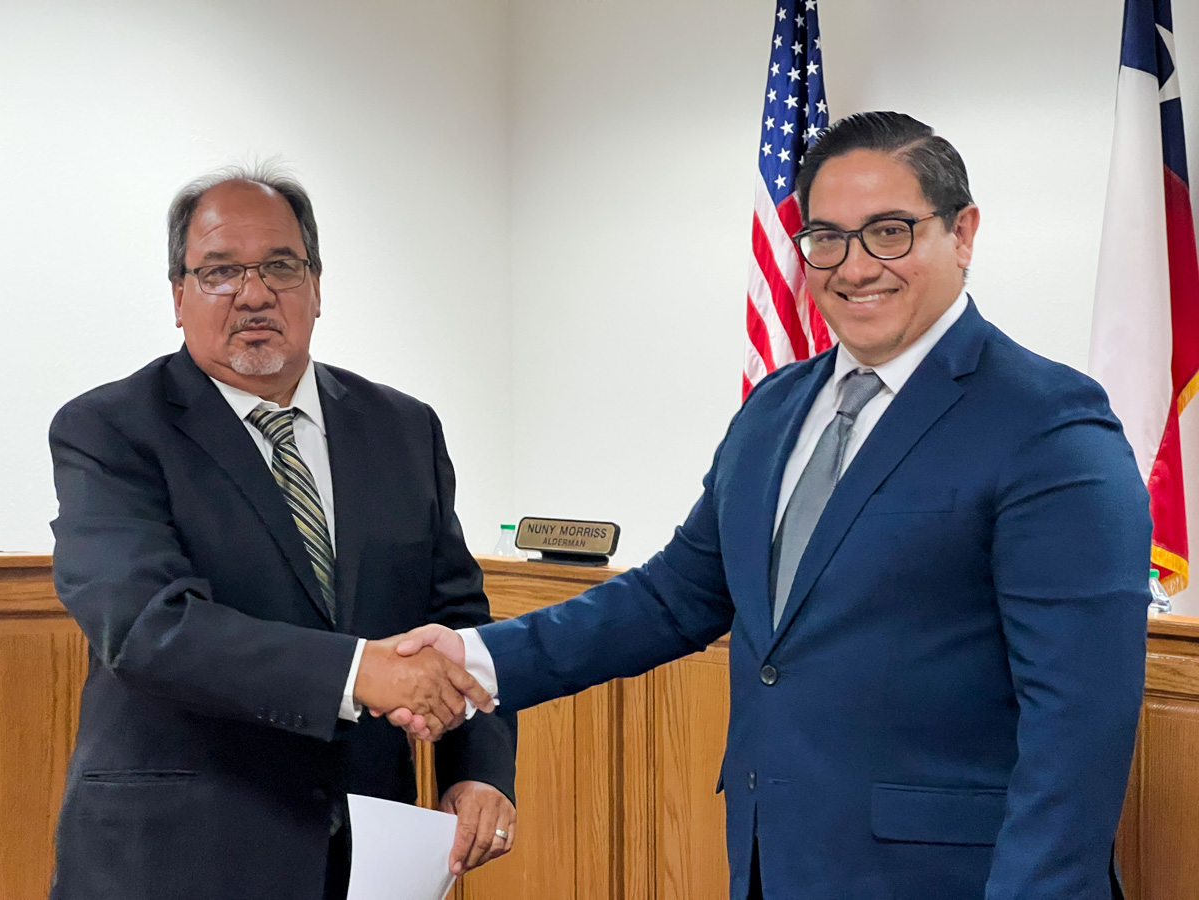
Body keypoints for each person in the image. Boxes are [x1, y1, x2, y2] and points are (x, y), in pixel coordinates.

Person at [393, 112, 1151, 899]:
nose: (854, 267)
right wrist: (473, 659)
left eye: (889, 232)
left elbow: (1079, 725)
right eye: (826, 237)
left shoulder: (1048, 424)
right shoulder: (776, 409)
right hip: (773, 864)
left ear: (962, 233)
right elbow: (671, 598)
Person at [48, 166, 517, 900]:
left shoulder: (404, 429)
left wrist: (477, 771)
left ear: (317, 287)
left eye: (280, 266)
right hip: (176, 858)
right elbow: (144, 627)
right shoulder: (108, 431)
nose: (255, 292)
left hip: (370, 855)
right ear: (178, 296)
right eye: (220, 271)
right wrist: (358, 672)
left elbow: (457, 621)